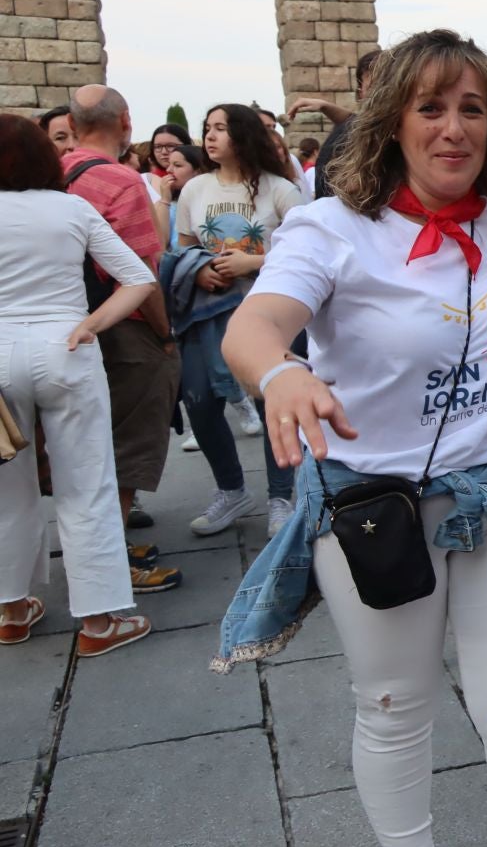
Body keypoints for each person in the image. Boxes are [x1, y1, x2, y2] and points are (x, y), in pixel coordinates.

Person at [218, 27, 487, 847]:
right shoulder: (331, 228)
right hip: (376, 508)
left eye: (472, 108)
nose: (454, 127)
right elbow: (258, 325)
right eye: (431, 106)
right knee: (393, 703)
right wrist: (280, 378)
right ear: (393, 123)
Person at [0, 114, 158, 657]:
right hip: (65, 347)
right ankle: (98, 620)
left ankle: (12, 610)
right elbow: (138, 276)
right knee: (85, 482)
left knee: (4, 488)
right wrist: (92, 322)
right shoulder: (71, 207)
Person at [62, 85, 181, 595]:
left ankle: (97, 546)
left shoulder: (57, 173)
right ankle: (113, 566)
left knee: (86, 446)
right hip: (124, 330)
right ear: (126, 121)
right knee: (128, 443)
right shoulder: (120, 180)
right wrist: (164, 334)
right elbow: (140, 274)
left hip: (69, 325)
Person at [174, 104, 307, 537]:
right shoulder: (194, 190)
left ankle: (281, 496)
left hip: (272, 314)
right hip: (207, 314)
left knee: (275, 403)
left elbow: (309, 252)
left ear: (244, 136)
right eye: (206, 128)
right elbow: (183, 249)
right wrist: (200, 269)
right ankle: (231, 490)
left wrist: (252, 262)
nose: (209, 137)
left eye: (220, 129)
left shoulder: (280, 190)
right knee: (200, 401)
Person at [294, 47, 384, 201]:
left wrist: (325, 106)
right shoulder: (353, 133)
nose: (381, 93)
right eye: (373, 87)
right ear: (361, 92)